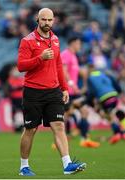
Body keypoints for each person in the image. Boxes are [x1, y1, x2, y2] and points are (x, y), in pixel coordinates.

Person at [17, 8, 86, 176]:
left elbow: (58, 65)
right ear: (37, 20)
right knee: (31, 129)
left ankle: (67, 164)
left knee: (59, 126)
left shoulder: (55, 39)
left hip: (53, 91)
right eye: (44, 20)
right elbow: (21, 66)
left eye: (49, 20)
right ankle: (23, 166)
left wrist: (64, 88)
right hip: (33, 91)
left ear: (53, 21)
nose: (47, 23)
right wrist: (39, 57)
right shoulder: (27, 41)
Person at [61, 36, 100, 148]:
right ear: (72, 43)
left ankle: (84, 139)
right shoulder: (66, 54)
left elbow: (78, 72)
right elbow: (63, 70)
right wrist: (72, 84)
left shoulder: (74, 56)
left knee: (84, 111)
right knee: (66, 115)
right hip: (66, 90)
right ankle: (59, 141)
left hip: (74, 91)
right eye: (78, 43)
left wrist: (84, 82)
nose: (80, 46)